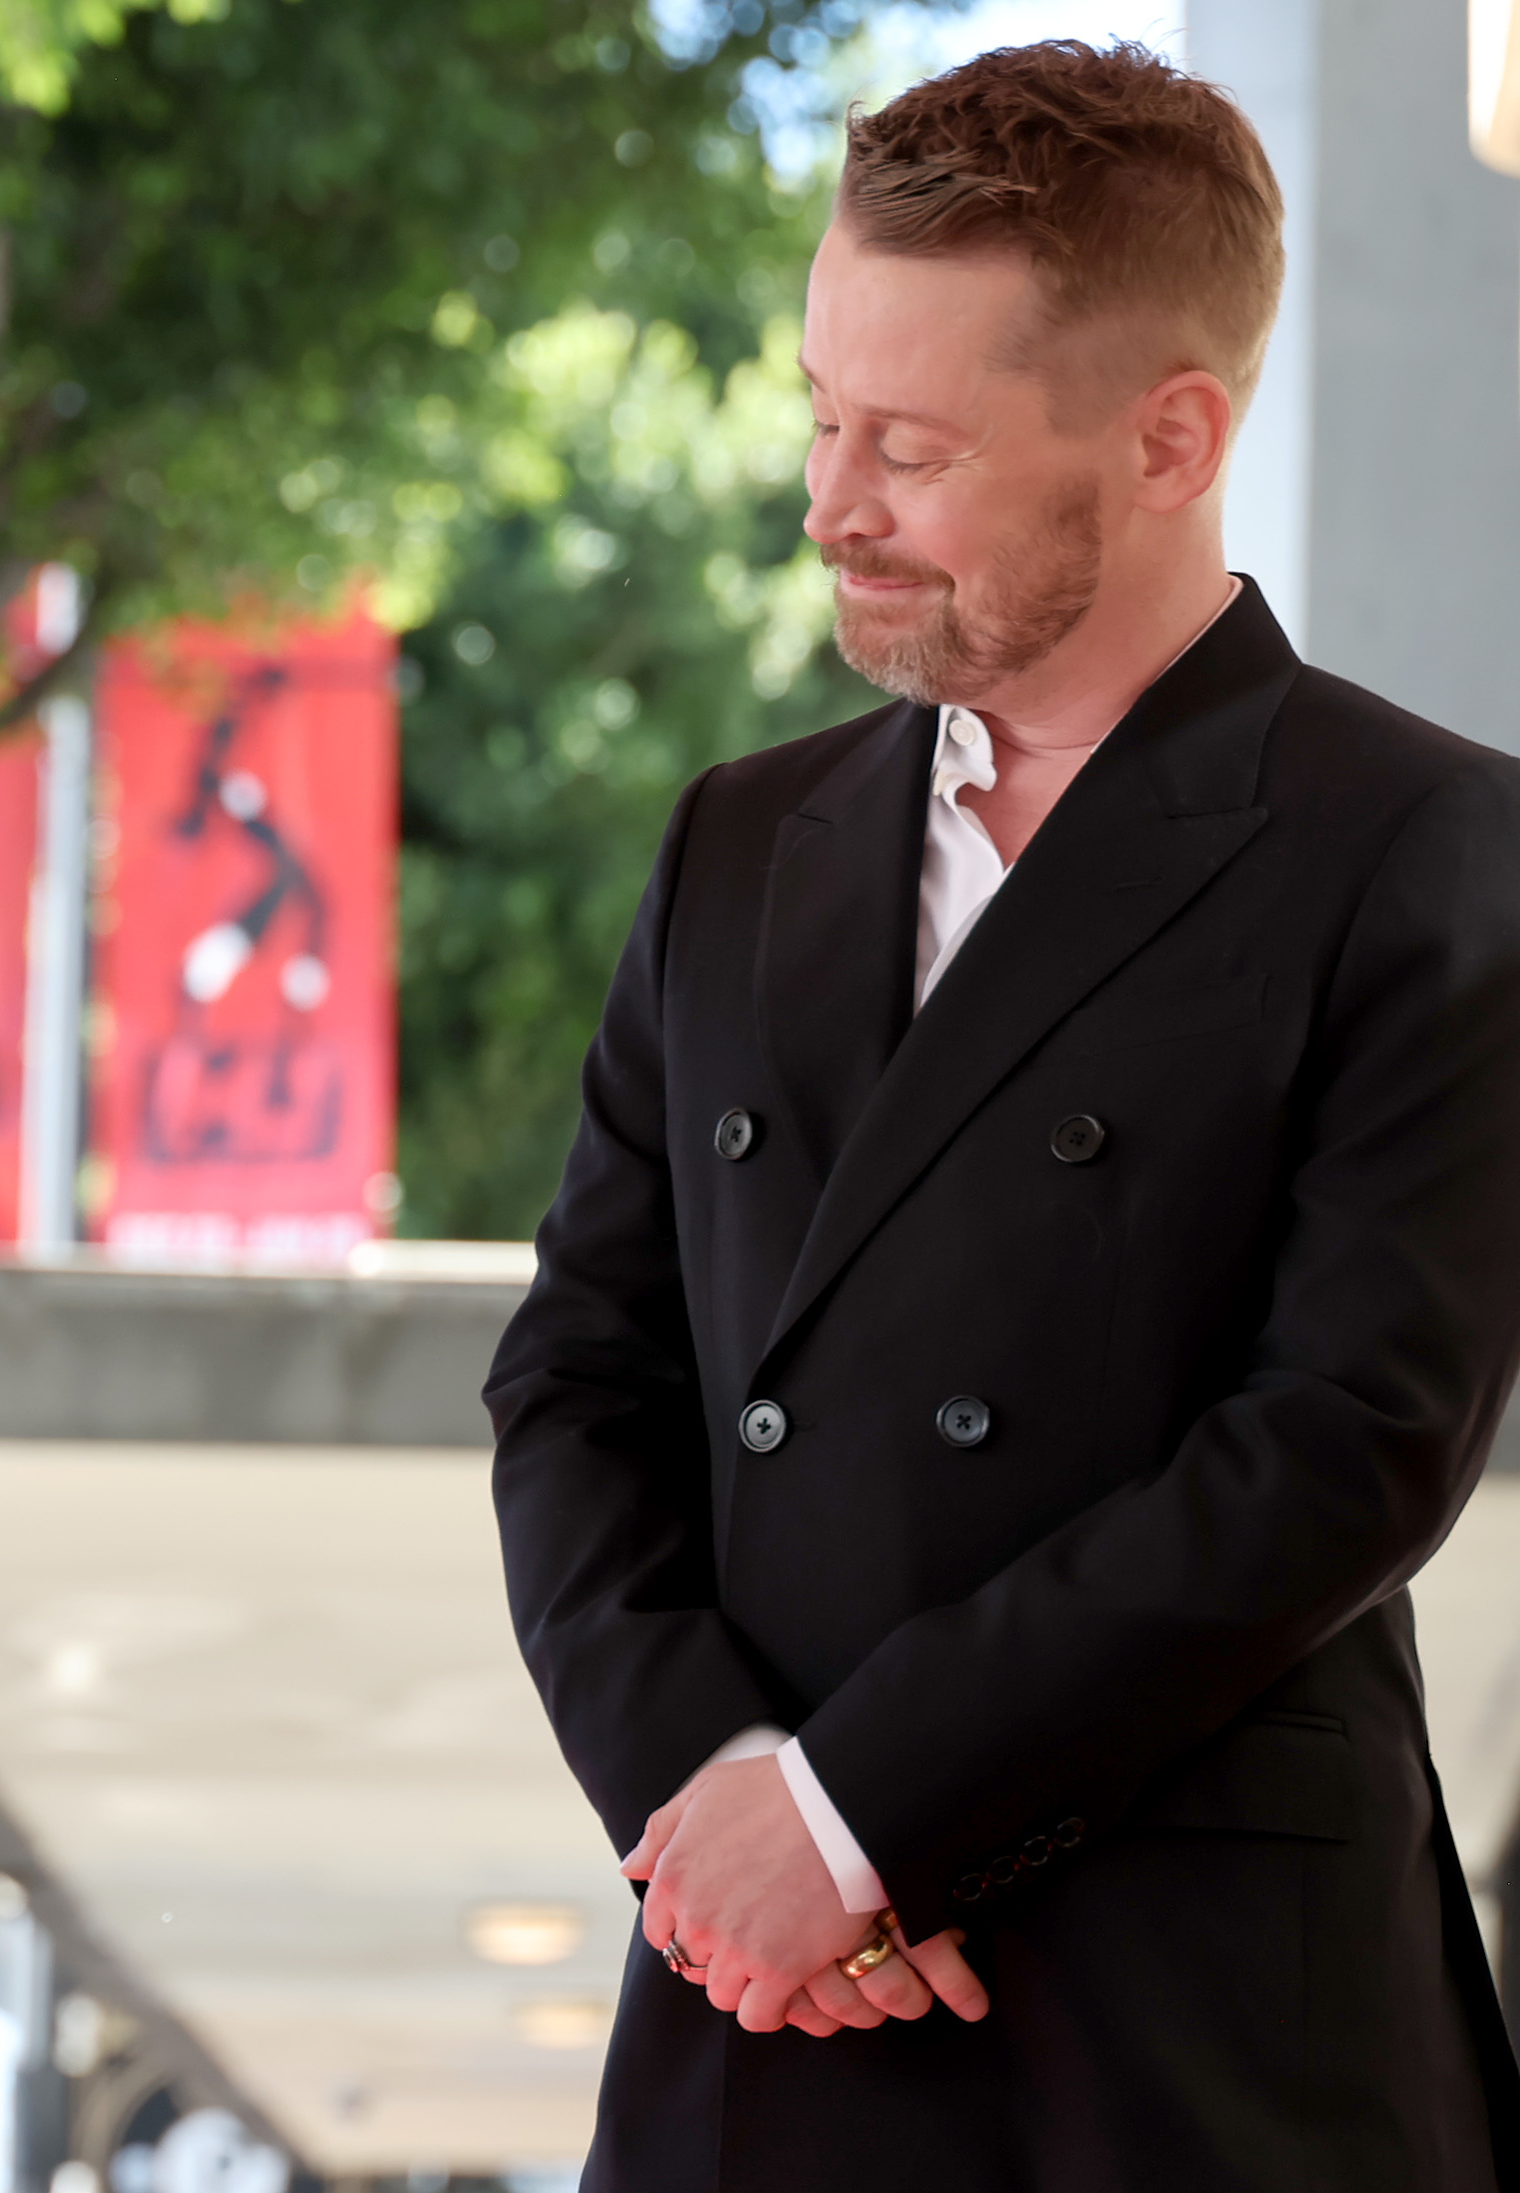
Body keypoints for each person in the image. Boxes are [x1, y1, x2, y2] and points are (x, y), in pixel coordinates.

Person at [485, 42, 1520, 2191]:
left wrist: (863, 1812)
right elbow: (575, 1377)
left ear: (1166, 438)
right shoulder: (732, 847)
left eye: (911, 443)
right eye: (815, 412)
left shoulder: (1423, 845)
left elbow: (1344, 1439)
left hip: (1183, 2030)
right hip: (757, 2009)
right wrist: (718, 1813)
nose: (825, 499)